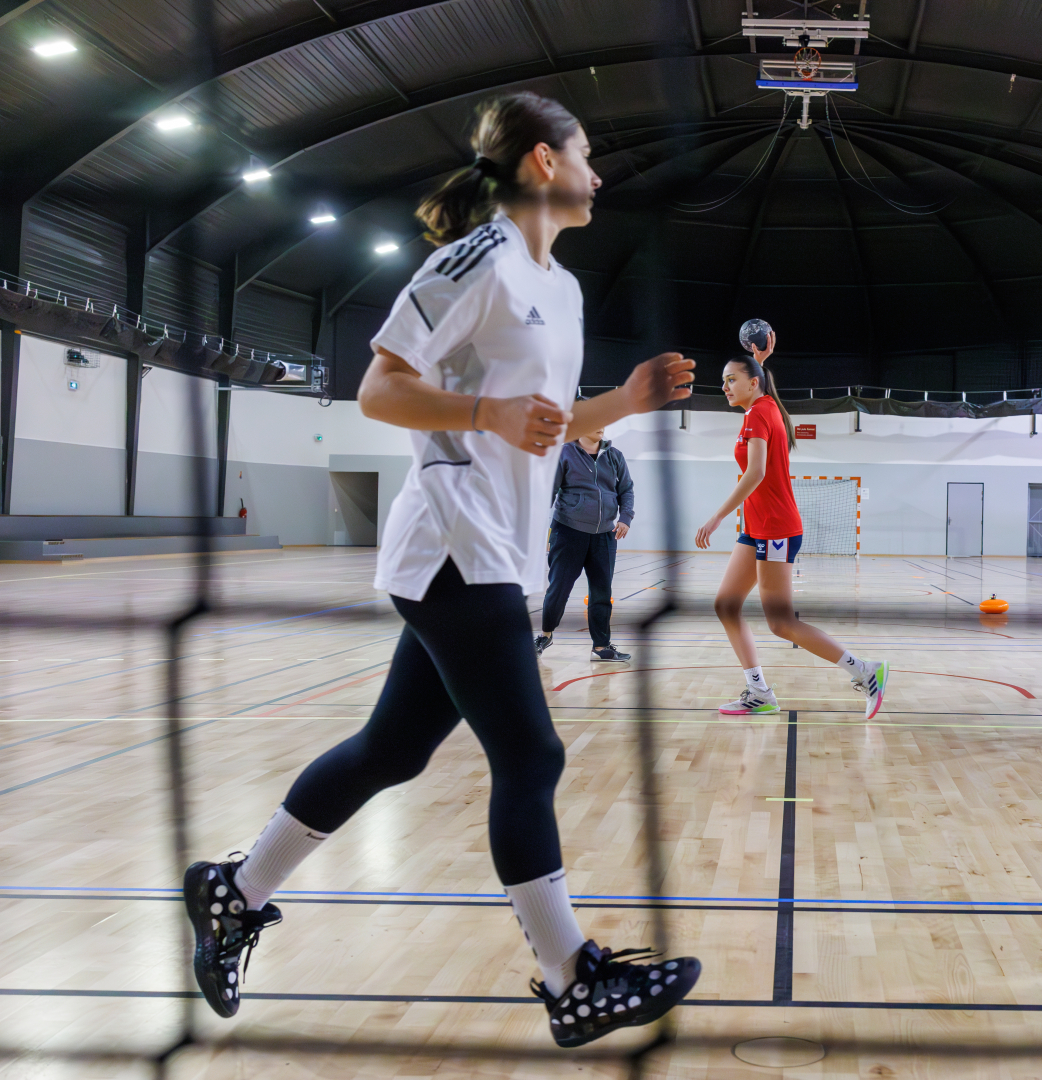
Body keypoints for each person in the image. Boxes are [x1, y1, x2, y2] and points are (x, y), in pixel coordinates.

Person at [182, 92, 703, 1047]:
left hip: (500, 541)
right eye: (587, 152)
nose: (601, 172)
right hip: (454, 542)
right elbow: (380, 387)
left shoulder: (564, 288)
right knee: (532, 756)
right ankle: (568, 977)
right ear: (543, 163)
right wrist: (483, 416)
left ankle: (235, 890)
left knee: (392, 750)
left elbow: (548, 427)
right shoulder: (476, 260)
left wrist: (620, 402)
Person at [694, 333, 889, 719]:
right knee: (726, 605)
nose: (724, 386)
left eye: (732, 379)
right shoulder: (764, 408)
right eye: (722, 380)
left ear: (753, 384)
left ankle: (865, 672)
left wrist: (716, 516)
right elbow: (759, 398)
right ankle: (758, 691)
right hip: (758, 526)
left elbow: (756, 472)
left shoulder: (759, 413)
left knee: (780, 622)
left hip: (776, 529)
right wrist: (760, 362)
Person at [535, 425, 634, 662]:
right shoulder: (564, 453)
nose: (601, 426)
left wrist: (625, 519)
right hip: (568, 531)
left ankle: (601, 647)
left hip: (604, 535)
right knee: (559, 589)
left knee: (602, 592)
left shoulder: (614, 455)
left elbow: (626, 490)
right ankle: (545, 635)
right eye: (596, 420)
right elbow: (549, 491)